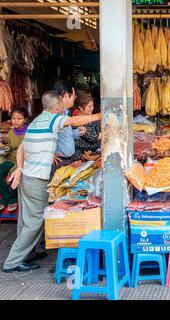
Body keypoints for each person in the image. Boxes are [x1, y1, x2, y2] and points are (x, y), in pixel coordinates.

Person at [2, 90, 101, 273]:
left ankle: (29, 254)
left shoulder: (35, 122)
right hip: (36, 180)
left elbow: (22, 148)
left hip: (27, 177)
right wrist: (100, 115)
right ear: (56, 106)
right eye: (62, 105)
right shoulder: (52, 119)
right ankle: (12, 262)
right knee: (35, 222)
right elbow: (74, 121)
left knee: (25, 221)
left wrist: (20, 168)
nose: (64, 107)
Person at [52, 81, 86, 170]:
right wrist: (50, 154)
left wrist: (77, 132)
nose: (75, 97)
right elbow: (46, 134)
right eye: (73, 95)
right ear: (66, 95)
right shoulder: (55, 114)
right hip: (59, 161)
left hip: (68, 160)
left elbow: (65, 134)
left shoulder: (66, 112)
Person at [0, 107, 29, 212]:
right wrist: (4, 147)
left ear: (25, 119)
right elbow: (8, 149)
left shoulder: (30, 132)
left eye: (19, 118)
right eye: (13, 118)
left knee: (13, 175)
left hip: (23, 161)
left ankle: (12, 199)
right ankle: (5, 197)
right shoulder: (11, 132)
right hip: (11, 159)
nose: (15, 121)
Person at [71, 90, 101, 161]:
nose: (92, 109)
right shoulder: (77, 121)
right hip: (82, 157)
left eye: (92, 105)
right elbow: (93, 137)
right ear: (81, 108)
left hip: (95, 154)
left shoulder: (92, 118)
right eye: (89, 106)